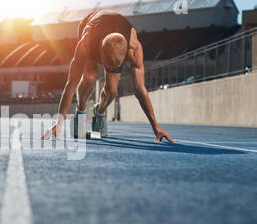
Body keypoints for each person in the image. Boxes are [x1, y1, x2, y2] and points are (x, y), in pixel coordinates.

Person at [42, 10, 174, 143]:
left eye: (112, 67)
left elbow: (140, 89)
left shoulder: (134, 49)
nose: (108, 70)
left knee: (112, 90)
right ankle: (80, 111)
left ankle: (99, 112)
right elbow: (71, 85)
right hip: (91, 24)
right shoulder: (86, 44)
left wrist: (156, 126)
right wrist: (59, 123)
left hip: (115, 32)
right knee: (89, 78)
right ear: (100, 52)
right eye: (106, 65)